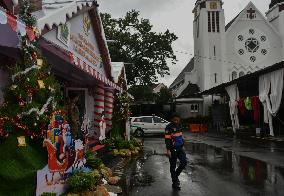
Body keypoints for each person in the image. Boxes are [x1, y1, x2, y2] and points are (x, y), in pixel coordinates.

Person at [165, 113, 187, 190]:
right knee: (173, 166)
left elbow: (180, 136)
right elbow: (167, 139)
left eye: (178, 119)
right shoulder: (168, 127)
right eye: (175, 119)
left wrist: (182, 144)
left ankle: (175, 176)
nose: (177, 121)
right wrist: (168, 150)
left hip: (180, 148)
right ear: (172, 119)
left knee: (184, 162)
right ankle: (175, 182)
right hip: (172, 149)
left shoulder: (179, 125)